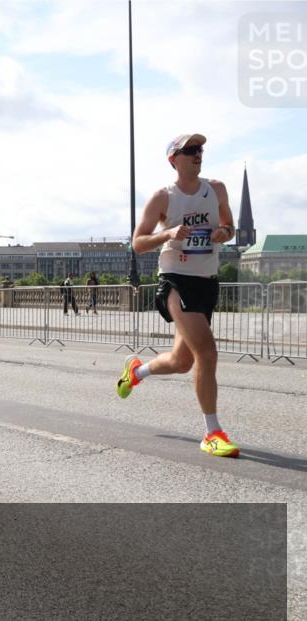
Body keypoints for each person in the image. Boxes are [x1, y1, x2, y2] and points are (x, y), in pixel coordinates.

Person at [117, 132, 239, 458]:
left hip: (206, 281)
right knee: (208, 353)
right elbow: (138, 242)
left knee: (182, 361)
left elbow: (230, 227)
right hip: (175, 280)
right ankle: (213, 432)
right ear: (174, 159)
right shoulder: (163, 197)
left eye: (200, 149)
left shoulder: (216, 189)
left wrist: (221, 233)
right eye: (190, 150)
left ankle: (136, 372)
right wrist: (168, 233)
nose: (198, 154)